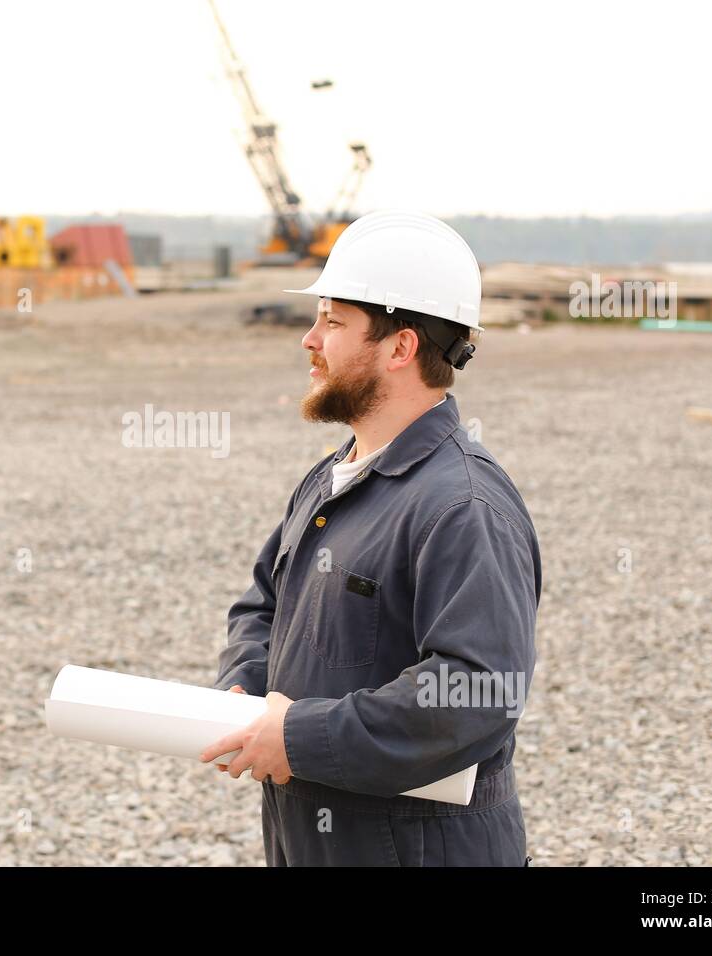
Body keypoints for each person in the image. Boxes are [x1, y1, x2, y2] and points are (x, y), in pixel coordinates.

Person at [200, 210, 541, 866]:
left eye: (332, 322)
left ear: (400, 347)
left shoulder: (463, 506)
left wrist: (299, 737)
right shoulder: (337, 473)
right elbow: (265, 602)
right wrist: (244, 683)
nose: (309, 340)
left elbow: (475, 690)